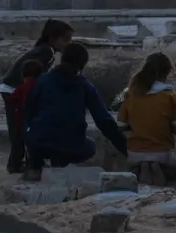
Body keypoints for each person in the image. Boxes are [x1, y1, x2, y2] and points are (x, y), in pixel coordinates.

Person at [22, 42, 128, 178]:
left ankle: (35, 164)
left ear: (62, 58)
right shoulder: (85, 86)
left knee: (34, 133)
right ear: (82, 65)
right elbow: (104, 121)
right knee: (89, 146)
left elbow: (28, 112)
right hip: (72, 146)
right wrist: (125, 148)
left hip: (39, 143)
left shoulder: (42, 81)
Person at [0, 19, 74, 173]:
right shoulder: (47, 52)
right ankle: (15, 165)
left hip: (15, 90)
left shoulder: (45, 50)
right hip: (13, 91)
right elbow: (35, 76)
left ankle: (21, 162)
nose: (68, 44)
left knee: (23, 127)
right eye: (66, 40)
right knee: (19, 129)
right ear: (53, 38)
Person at [115, 52, 176, 186]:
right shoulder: (171, 96)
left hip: (135, 152)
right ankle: (156, 170)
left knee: (139, 164)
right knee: (172, 168)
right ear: (166, 73)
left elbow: (121, 125)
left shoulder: (130, 94)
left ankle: (144, 169)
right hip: (162, 152)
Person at [6, 59, 45, 149]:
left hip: (23, 121)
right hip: (40, 121)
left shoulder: (22, 87)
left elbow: (12, 100)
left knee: (19, 144)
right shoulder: (42, 85)